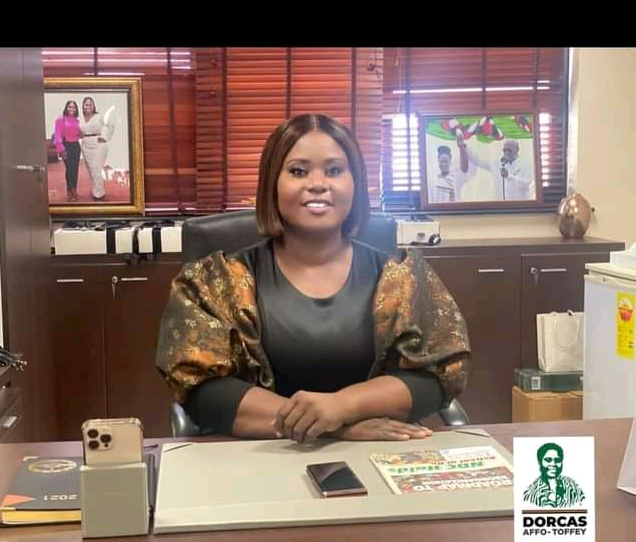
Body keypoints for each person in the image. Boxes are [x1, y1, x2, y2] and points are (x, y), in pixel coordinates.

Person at [156, 113, 471, 442]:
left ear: (355, 184)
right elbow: (203, 390)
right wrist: (338, 427)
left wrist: (343, 407)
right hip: (257, 455)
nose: (318, 183)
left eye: (334, 170)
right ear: (272, 183)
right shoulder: (217, 282)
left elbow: (437, 376)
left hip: (377, 454)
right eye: (298, 171)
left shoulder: (402, 276)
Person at [456, 131, 534, 201]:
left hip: (520, 208)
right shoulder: (497, 164)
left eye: (509, 150)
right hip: (499, 207)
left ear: (517, 150)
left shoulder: (526, 164)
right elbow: (478, 160)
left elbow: (527, 185)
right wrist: (464, 146)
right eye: (504, 150)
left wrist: (509, 176)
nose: (506, 152)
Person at [523, 442, 585, 507]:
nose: (553, 464)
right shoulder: (531, 491)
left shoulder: (572, 485)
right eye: (548, 460)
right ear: (540, 462)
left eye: (557, 460)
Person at [78, 97, 115, 201]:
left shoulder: (99, 116)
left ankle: (99, 194)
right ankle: (97, 190)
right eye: (86, 104)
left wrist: (106, 137)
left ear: (94, 106)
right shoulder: (80, 119)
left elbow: (111, 124)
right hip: (85, 145)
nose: (88, 106)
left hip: (98, 144)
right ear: (83, 106)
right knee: (91, 170)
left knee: (96, 169)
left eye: (90, 104)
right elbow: (79, 132)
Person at [53, 99, 81, 201]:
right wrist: (61, 149)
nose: (72, 109)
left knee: (75, 169)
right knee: (69, 169)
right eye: (70, 107)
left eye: (74, 107)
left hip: (76, 146)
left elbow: (78, 134)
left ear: (76, 109)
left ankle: (74, 189)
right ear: (66, 108)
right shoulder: (60, 119)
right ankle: (69, 190)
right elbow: (57, 135)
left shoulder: (77, 121)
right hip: (66, 146)